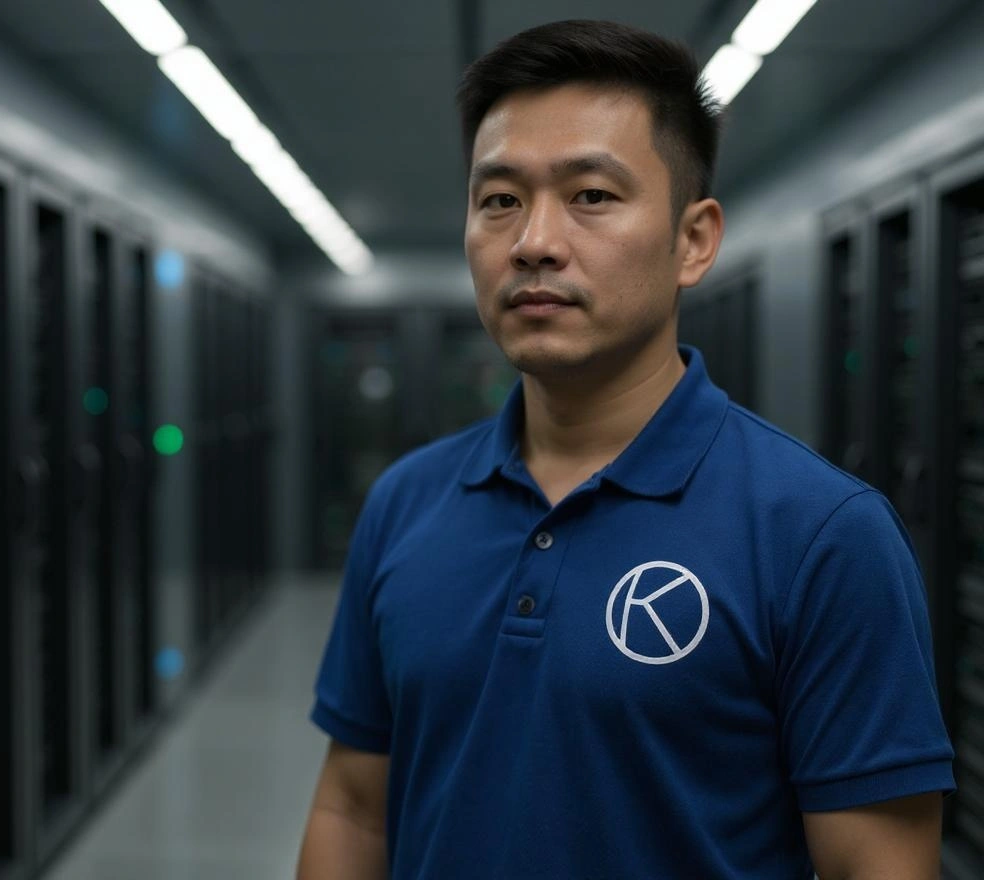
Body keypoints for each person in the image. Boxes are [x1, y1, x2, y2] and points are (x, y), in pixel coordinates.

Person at [297, 19, 954, 879]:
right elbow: (353, 806)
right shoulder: (406, 502)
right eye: (499, 199)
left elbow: (878, 866)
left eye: (591, 196)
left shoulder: (821, 535)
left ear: (694, 241)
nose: (533, 240)